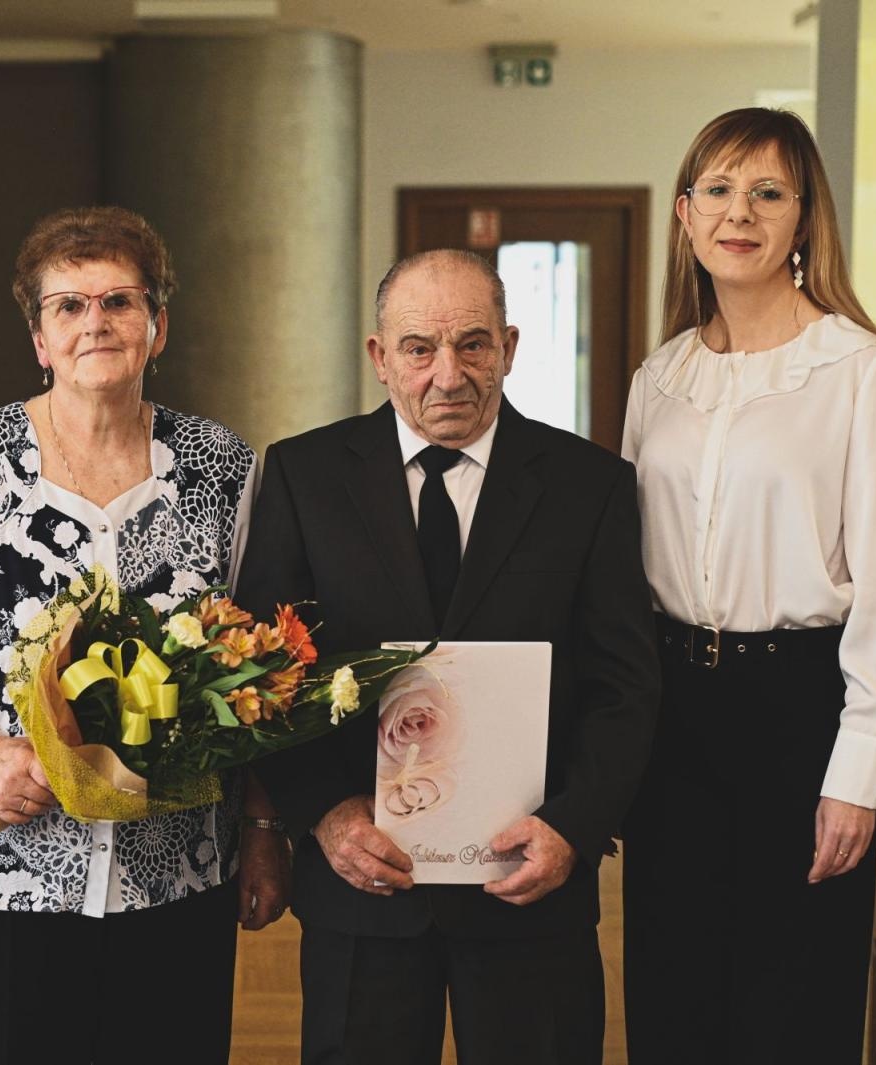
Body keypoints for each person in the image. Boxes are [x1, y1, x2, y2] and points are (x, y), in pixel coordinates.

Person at [0, 205, 290, 1065]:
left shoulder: (221, 468)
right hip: (2, 868)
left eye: (120, 301)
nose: (97, 322)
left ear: (158, 326)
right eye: (69, 305)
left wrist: (265, 829)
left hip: (176, 866)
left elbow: (260, 669)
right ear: (40, 340)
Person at [238, 248, 660, 1065]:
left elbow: (626, 685)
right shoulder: (303, 474)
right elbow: (265, 675)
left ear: (509, 346)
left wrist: (573, 826)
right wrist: (324, 813)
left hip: (529, 881)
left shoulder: (591, 484)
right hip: (362, 882)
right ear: (379, 355)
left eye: (473, 344)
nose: (448, 374)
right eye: (419, 348)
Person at [620, 107, 876, 1064]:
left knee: (790, 1005)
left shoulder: (867, 373)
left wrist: (858, 776)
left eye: (767, 192)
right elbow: (624, 573)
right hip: (672, 714)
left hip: (800, 715)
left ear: (804, 217)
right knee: (671, 996)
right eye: (717, 189)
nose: (739, 212)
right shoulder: (657, 379)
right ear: (684, 214)